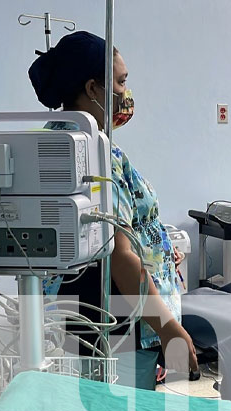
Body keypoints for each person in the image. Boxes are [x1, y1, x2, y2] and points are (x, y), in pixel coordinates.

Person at [28, 31, 198, 389]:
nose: (126, 93)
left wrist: (158, 251)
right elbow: (118, 257)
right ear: (93, 88)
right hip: (114, 310)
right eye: (121, 82)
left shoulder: (54, 138)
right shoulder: (95, 152)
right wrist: (168, 329)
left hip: (78, 307)